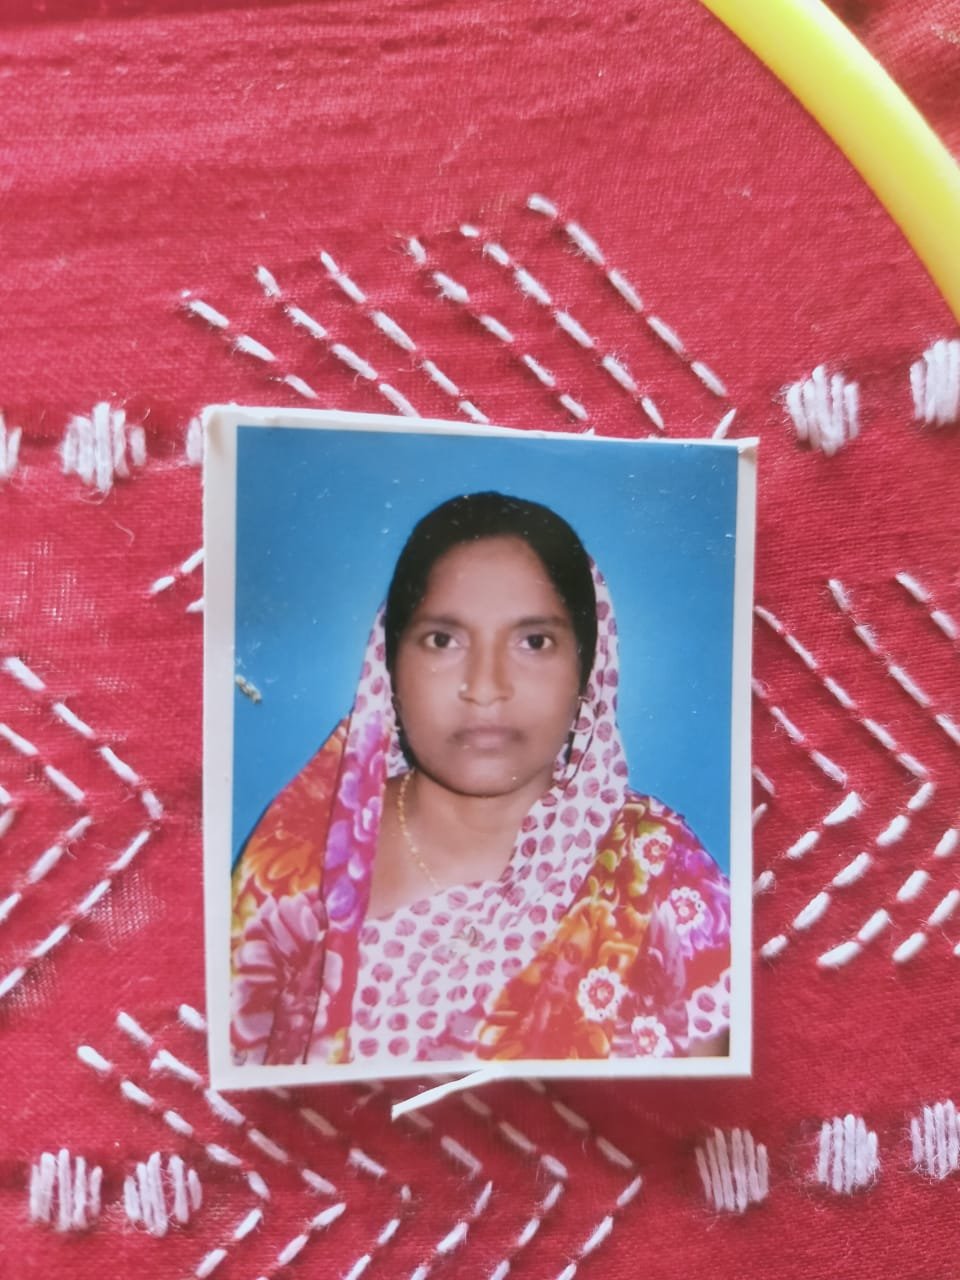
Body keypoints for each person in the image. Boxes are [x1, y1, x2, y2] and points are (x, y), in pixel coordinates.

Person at [230, 492, 731, 1066]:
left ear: (588, 669)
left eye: (534, 642)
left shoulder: (660, 876)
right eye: (443, 640)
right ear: (389, 665)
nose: (486, 686)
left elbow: (696, 1106)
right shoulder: (301, 855)